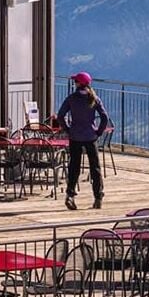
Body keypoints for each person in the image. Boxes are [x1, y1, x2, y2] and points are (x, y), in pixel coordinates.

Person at [56, 72, 111, 211]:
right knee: (95, 168)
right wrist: (98, 132)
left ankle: (70, 195)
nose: (74, 83)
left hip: (75, 137)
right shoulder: (94, 99)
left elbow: (60, 116)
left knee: (74, 167)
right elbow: (104, 117)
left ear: (79, 83)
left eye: (75, 81)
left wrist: (68, 130)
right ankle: (98, 197)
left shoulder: (71, 99)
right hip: (90, 137)